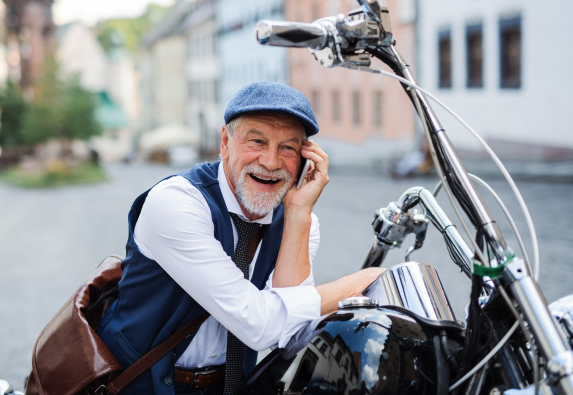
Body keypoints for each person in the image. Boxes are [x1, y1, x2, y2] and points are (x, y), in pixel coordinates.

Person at [97, 81, 384, 394]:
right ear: (225, 142)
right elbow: (259, 325)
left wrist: (299, 214)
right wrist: (366, 278)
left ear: (305, 158)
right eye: (257, 141)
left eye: (287, 148)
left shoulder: (299, 220)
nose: (271, 162)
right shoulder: (176, 202)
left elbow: (289, 335)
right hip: (140, 384)